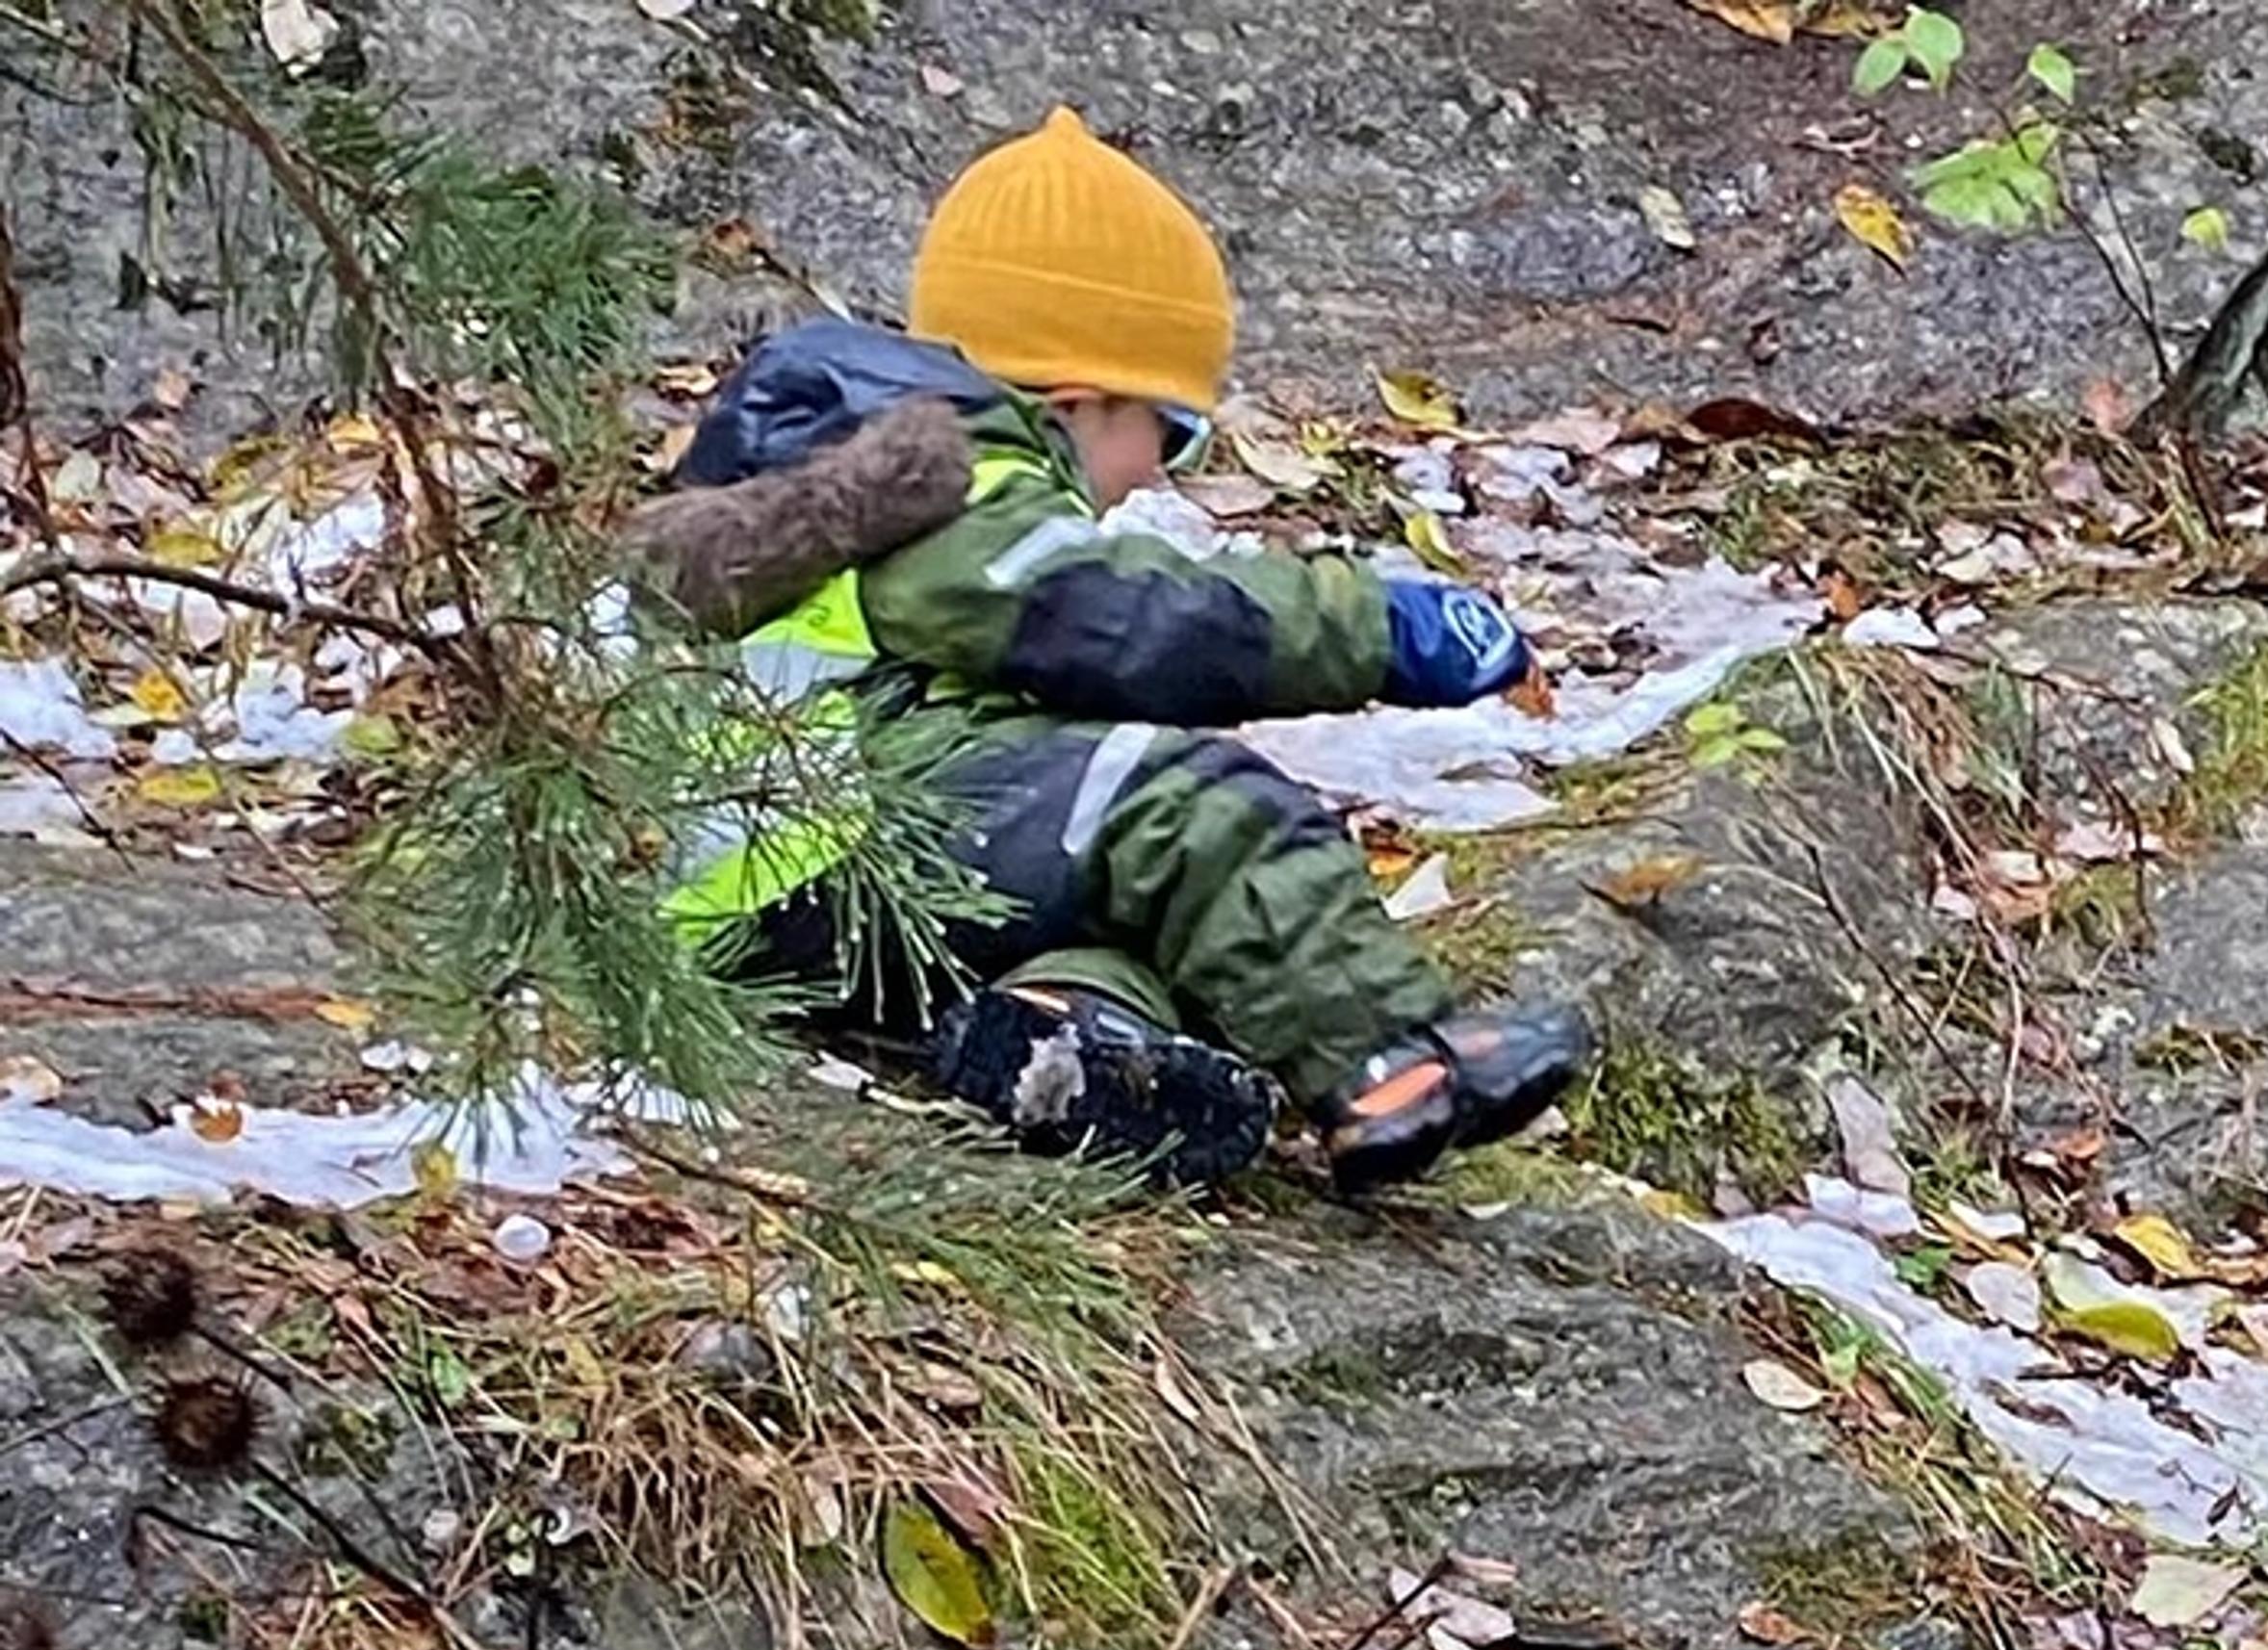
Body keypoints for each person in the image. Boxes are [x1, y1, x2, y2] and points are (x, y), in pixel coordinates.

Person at [618, 107, 1585, 1196]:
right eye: (1172, 433)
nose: (1159, 476)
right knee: (1183, 811)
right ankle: (1391, 1061)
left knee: (1142, 909)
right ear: (1077, 401)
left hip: (802, 877)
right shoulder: (953, 482)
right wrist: (1375, 628)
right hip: (820, 846)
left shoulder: (859, 462)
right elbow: (1128, 622)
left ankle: (1069, 1038)